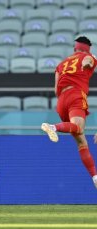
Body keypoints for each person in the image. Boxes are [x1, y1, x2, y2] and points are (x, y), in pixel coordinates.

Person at [41, 36, 97, 188]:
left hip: (61, 101)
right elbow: (87, 62)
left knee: (81, 141)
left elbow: (55, 88)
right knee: (79, 128)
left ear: (75, 48)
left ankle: (95, 176)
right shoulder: (88, 57)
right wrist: (86, 64)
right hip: (76, 95)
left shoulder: (61, 64)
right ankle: (54, 127)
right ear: (87, 48)